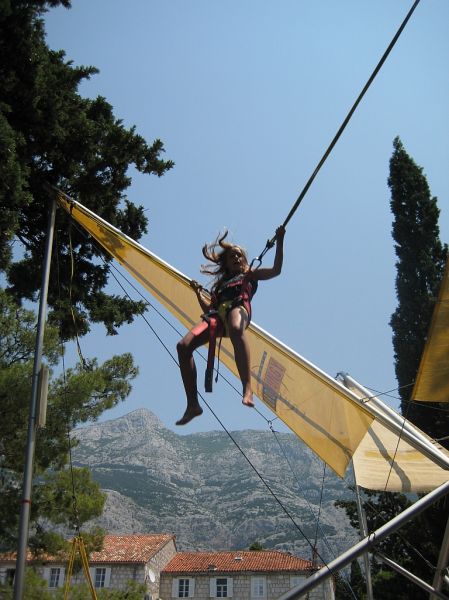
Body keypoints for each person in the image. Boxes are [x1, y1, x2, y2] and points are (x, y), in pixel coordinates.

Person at [176, 226, 285, 425]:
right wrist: (198, 292)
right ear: (226, 263)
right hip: (218, 317)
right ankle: (193, 404)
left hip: (239, 310)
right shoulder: (220, 286)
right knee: (183, 347)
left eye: (239, 255)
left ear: (244, 261)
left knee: (236, 328)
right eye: (232, 256)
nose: (236, 258)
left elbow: (276, 270)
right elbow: (210, 307)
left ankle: (247, 387)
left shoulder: (250, 275)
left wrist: (280, 240)